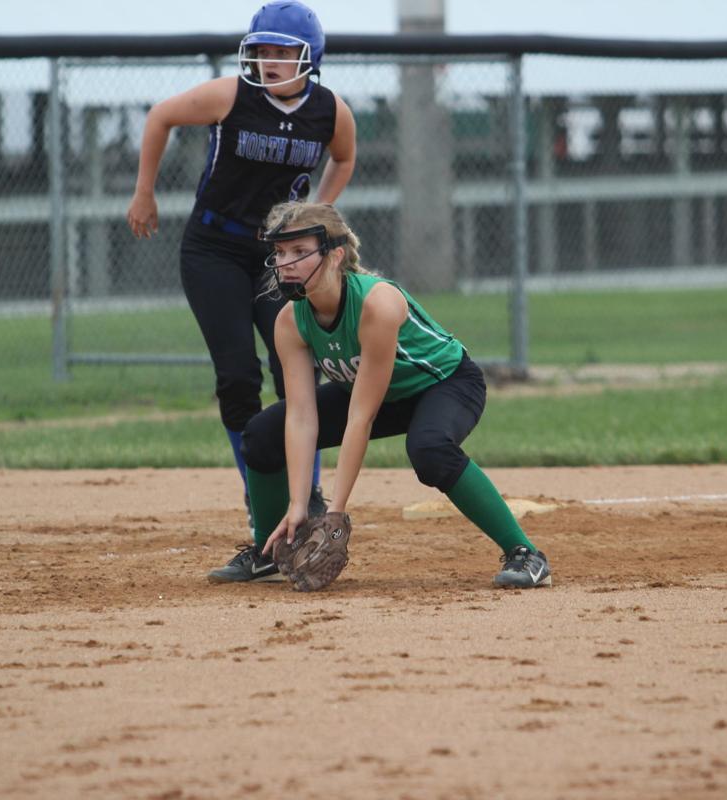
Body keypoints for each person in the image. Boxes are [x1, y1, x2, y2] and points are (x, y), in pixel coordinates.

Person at [205, 201, 552, 589]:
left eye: (300, 252)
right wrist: (299, 504)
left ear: (335, 256)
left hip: (444, 383)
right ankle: (268, 551)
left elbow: (361, 418)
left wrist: (335, 515)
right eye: (281, 252)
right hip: (373, 392)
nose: (286, 263)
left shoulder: (377, 303)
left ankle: (526, 555)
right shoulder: (290, 319)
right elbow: (301, 417)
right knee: (262, 434)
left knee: (430, 450)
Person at [126, 1, 357, 522]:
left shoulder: (329, 110)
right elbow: (160, 116)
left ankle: (309, 497)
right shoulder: (232, 95)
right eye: (262, 50)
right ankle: (261, 494)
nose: (269, 61)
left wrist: (318, 211)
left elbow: (344, 156)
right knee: (236, 376)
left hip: (279, 257)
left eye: (282, 51)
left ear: (309, 56)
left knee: (293, 369)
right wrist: (145, 192)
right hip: (215, 249)